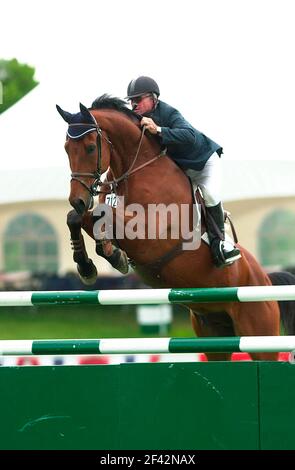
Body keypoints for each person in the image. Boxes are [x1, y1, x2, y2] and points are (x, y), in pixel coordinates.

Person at [126, 76, 241, 268]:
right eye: (131, 100)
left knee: (210, 195)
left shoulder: (169, 113)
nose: (134, 104)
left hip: (203, 163)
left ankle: (223, 244)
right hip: (181, 169)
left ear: (154, 98)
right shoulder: (136, 119)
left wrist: (159, 129)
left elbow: (188, 135)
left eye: (138, 99)